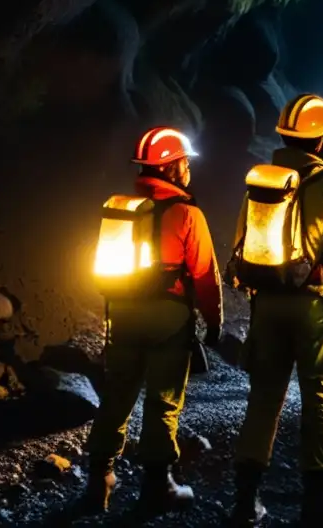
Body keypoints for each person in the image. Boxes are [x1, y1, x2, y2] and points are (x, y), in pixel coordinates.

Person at [229, 93, 323, 526]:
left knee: (264, 399)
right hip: (313, 309)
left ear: (284, 138)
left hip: (267, 306)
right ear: (322, 142)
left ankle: (244, 502)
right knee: (320, 396)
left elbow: (240, 245)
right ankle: (316, 500)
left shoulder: (260, 184)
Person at [84, 126, 224, 513]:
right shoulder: (187, 213)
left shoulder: (123, 208)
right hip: (168, 317)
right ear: (172, 168)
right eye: (183, 162)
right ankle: (157, 486)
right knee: (163, 402)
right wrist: (213, 321)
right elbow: (205, 275)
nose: (187, 169)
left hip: (125, 313)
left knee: (116, 397)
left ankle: (99, 479)